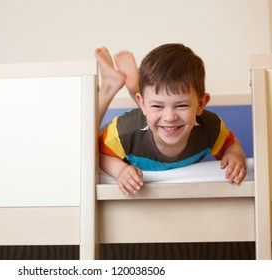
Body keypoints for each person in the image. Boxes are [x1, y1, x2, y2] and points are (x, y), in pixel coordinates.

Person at [95, 44, 247, 196]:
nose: (170, 117)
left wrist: (235, 154)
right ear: (141, 103)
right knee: (87, 139)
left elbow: (231, 144)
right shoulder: (124, 132)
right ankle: (110, 85)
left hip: (148, 115)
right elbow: (101, 154)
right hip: (125, 132)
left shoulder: (210, 128)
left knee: (157, 116)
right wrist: (120, 170)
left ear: (201, 104)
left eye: (181, 105)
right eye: (158, 105)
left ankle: (137, 87)